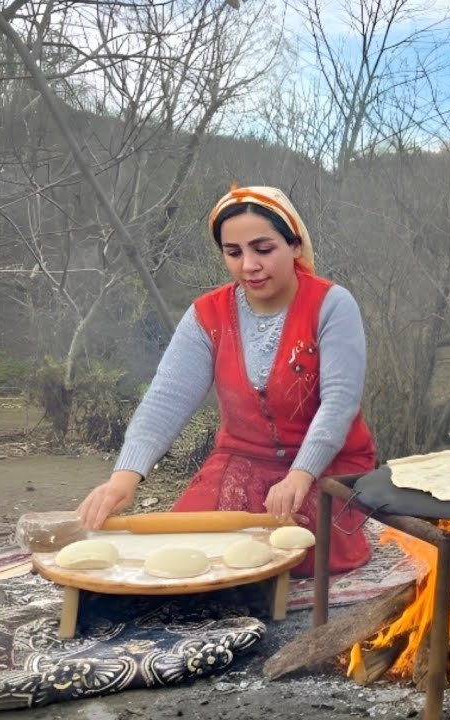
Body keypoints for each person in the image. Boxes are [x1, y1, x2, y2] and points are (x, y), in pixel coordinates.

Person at [77, 186, 377, 577]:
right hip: (242, 459)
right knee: (195, 553)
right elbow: (166, 398)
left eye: (263, 249)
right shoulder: (207, 314)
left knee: (294, 553)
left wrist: (300, 476)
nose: (248, 264)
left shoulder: (333, 305)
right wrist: (123, 478)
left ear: (295, 245)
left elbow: (339, 403)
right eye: (234, 253)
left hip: (330, 462)